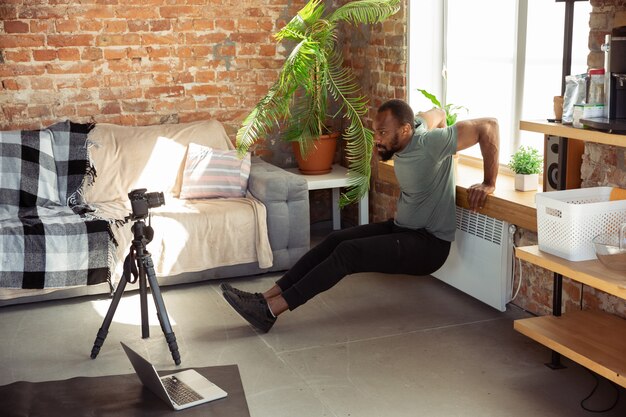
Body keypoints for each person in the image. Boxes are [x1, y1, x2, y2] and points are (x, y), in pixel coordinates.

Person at [221, 98, 499, 333]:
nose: (376, 139)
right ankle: (265, 297)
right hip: (403, 229)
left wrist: (489, 182)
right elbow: (437, 113)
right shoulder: (414, 129)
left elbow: (489, 126)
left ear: (403, 130)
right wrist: (443, 156)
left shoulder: (431, 143)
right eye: (376, 131)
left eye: (383, 133)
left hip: (428, 245)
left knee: (349, 253)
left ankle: (270, 311)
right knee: (334, 240)